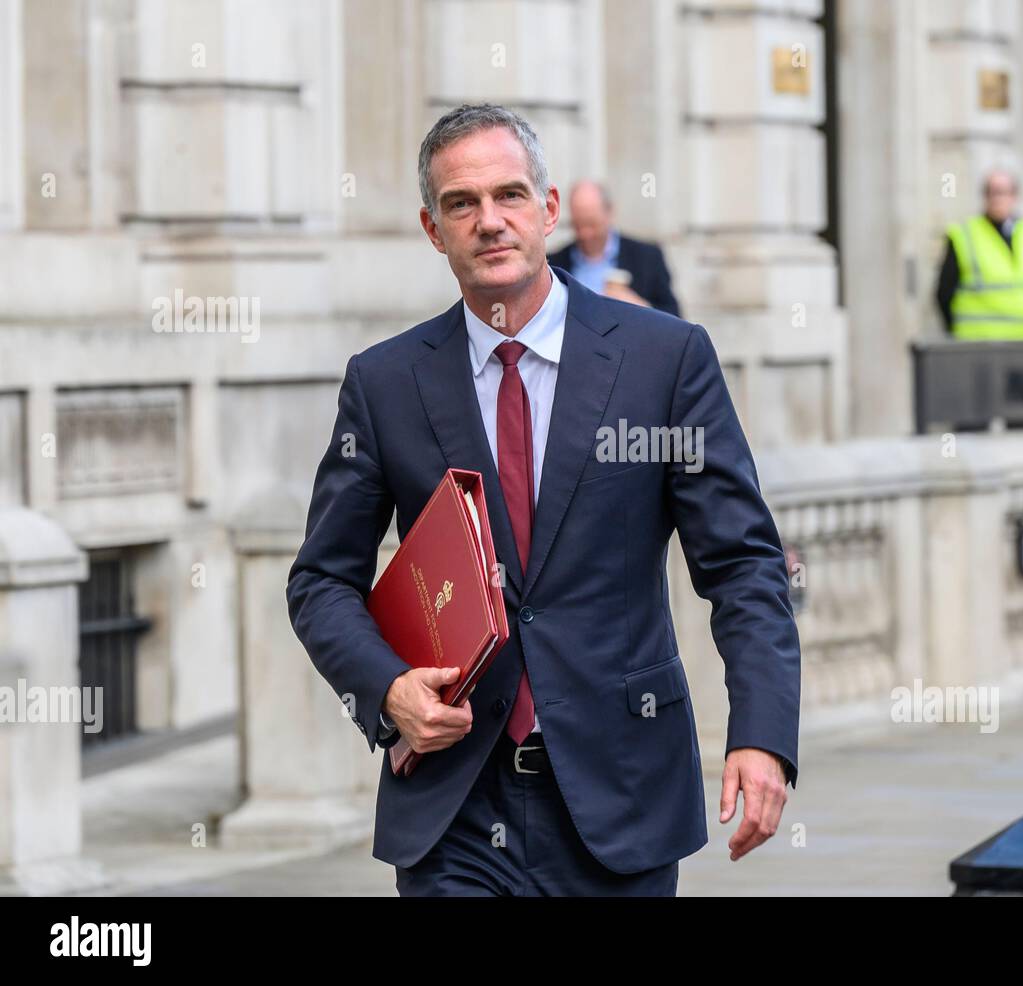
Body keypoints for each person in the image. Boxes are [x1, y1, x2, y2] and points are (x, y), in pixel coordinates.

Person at [286, 103, 799, 896]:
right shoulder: (385, 384)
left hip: (619, 797)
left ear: (549, 209)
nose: (489, 221)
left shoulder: (665, 361)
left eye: (509, 196)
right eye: (462, 204)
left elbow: (742, 566)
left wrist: (762, 734)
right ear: (433, 228)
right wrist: (387, 688)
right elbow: (320, 581)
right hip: (454, 804)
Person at [935, 168, 1023, 339]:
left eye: (1003, 192)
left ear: (1015, 196)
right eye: (992, 192)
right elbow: (944, 293)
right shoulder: (964, 235)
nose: (997, 198)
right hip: (980, 344)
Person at [547, 179, 681, 316]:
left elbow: (677, 320)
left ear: (609, 213)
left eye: (592, 224)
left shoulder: (647, 258)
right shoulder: (553, 263)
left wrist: (639, 306)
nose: (585, 234)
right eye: (577, 225)